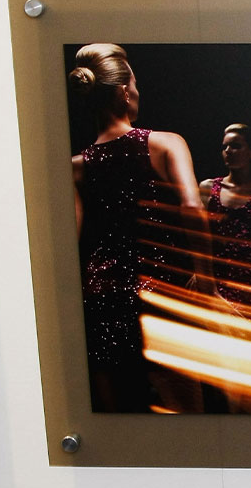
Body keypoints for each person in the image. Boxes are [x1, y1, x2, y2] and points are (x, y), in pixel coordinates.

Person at [69, 43, 213, 412]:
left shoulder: (77, 166)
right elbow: (192, 207)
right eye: (135, 83)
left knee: (119, 414)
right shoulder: (164, 143)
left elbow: (71, 240)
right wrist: (206, 281)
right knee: (184, 411)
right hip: (158, 291)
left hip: (102, 296)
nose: (138, 90)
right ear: (123, 92)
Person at [199, 124, 251, 315]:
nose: (228, 151)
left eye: (236, 146)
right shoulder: (208, 189)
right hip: (219, 280)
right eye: (225, 147)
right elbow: (199, 239)